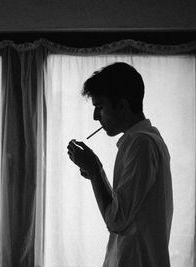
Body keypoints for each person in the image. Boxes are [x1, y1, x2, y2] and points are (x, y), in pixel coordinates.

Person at [67, 62, 173, 267]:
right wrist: (96, 171)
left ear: (123, 106)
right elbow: (124, 208)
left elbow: (116, 221)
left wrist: (95, 171)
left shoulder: (140, 143)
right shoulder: (148, 139)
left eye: (100, 107)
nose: (95, 116)